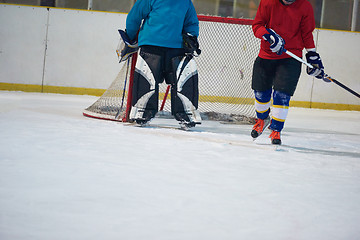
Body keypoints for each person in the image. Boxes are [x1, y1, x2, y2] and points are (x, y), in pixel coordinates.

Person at [250, 0, 326, 145]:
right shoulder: (268, 2)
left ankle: (276, 130)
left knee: (282, 95)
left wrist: (312, 55)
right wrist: (268, 35)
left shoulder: (305, 6)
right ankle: (262, 119)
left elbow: (306, 33)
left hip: (291, 57)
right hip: (266, 56)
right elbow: (257, 26)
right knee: (260, 93)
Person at [122, 0, 202, 128]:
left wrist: (191, 37)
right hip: (152, 46)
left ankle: (186, 113)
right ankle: (142, 111)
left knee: (180, 80)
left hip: (174, 49)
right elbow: (135, 16)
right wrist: (130, 35)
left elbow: (191, 22)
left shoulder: (185, 1)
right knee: (147, 78)